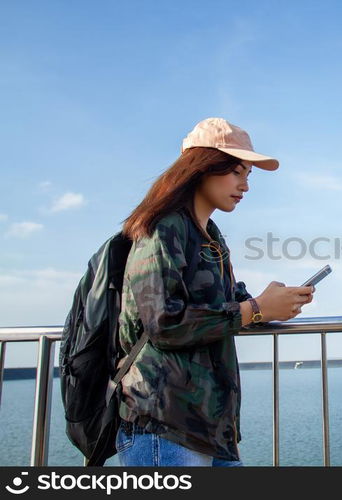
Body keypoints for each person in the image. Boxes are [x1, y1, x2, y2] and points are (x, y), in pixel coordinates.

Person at [114, 117, 314, 466]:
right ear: (202, 167)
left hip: (208, 427)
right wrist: (255, 309)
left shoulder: (211, 235)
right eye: (237, 172)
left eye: (248, 175)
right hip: (164, 425)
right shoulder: (163, 227)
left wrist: (269, 304)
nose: (245, 186)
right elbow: (164, 323)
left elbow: (223, 310)